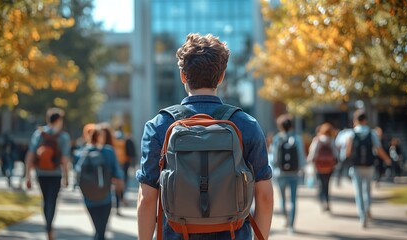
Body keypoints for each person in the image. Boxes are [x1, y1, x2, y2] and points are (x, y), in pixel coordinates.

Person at [136, 33, 273, 240]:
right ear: (221, 76)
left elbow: (147, 200)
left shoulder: (158, 126)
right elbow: (264, 196)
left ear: (183, 76)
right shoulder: (247, 125)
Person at [25, 108, 71, 240]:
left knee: (46, 200)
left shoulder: (39, 134)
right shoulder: (63, 136)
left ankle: (48, 226)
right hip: (55, 173)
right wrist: (66, 177)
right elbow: (65, 159)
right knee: (52, 200)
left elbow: (31, 154)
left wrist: (27, 176)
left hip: (41, 173)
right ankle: (50, 227)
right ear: (58, 120)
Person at [76, 124, 124, 240]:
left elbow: (77, 172)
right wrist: (121, 189)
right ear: (101, 137)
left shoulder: (82, 152)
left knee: (97, 228)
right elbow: (118, 172)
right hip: (105, 196)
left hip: (88, 197)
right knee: (102, 230)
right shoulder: (108, 151)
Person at [346, 109, 391, 228]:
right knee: (367, 190)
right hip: (369, 166)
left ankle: (362, 216)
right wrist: (387, 159)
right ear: (365, 120)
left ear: (355, 120)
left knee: (359, 192)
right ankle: (368, 208)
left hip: (356, 167)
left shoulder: (351, 134)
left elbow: (348, 152)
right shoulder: (372, 133)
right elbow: (379, 149)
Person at [271, 113, 306, 234]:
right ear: (291, 125)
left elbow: (273, 158)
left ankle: (285, 218)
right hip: (294, 173)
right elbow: (301, 157)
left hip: (280, 173)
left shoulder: (277, 139)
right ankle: (291, 225)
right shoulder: (297, 138)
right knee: (293, 200)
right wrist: (302, 169)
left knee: (282, 199)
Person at [307, 123, 338, 212]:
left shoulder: (317, 140)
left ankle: (322, 202)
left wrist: (310, 161)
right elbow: (335, 153)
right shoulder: (331, 140)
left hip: (319, 166)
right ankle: (327, 201)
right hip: (329, 166)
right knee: (327, 185)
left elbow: (313, 152)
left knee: (320, 185)